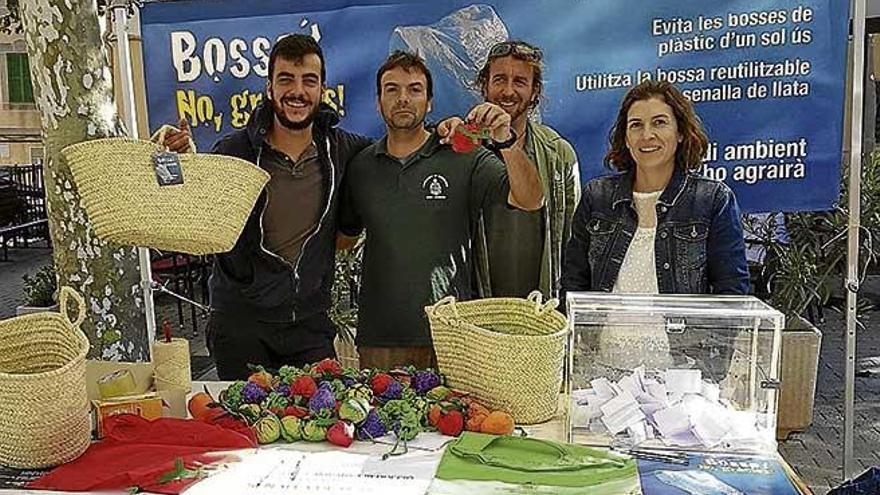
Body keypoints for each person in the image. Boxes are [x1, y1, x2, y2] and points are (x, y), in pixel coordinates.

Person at [166, 34, 371, 380]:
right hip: (241, 325)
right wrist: (177, 163)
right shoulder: (233, 152)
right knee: (245, 430)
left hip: (309, 324)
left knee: (320, 424)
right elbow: (192, 216)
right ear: (269, 87)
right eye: (286, 79)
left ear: (322, 89)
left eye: (309, 80)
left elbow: (400, 151)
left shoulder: (345, 151)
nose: (297, 91)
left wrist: (444, 130)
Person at [338, 51, 544, 370]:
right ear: (378, 102)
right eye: (392, 89)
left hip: (449, 339)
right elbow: (344, 239)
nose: (403, 98)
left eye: (414, 89)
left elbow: (530, 200)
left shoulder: (463, 157)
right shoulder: (360, 166)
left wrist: (506, 142)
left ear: (430, 101)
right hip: (379, 340)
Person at [562, 80, 748, 380]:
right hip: (602, 373)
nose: (646, 135)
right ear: (625, 137)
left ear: (681, 133)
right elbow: (573, 282)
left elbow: (731, 292)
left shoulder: (712, 200)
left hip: (681, 374)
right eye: (635, 125)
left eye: (659, 123)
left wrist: (708, 371)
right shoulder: (597, 197)